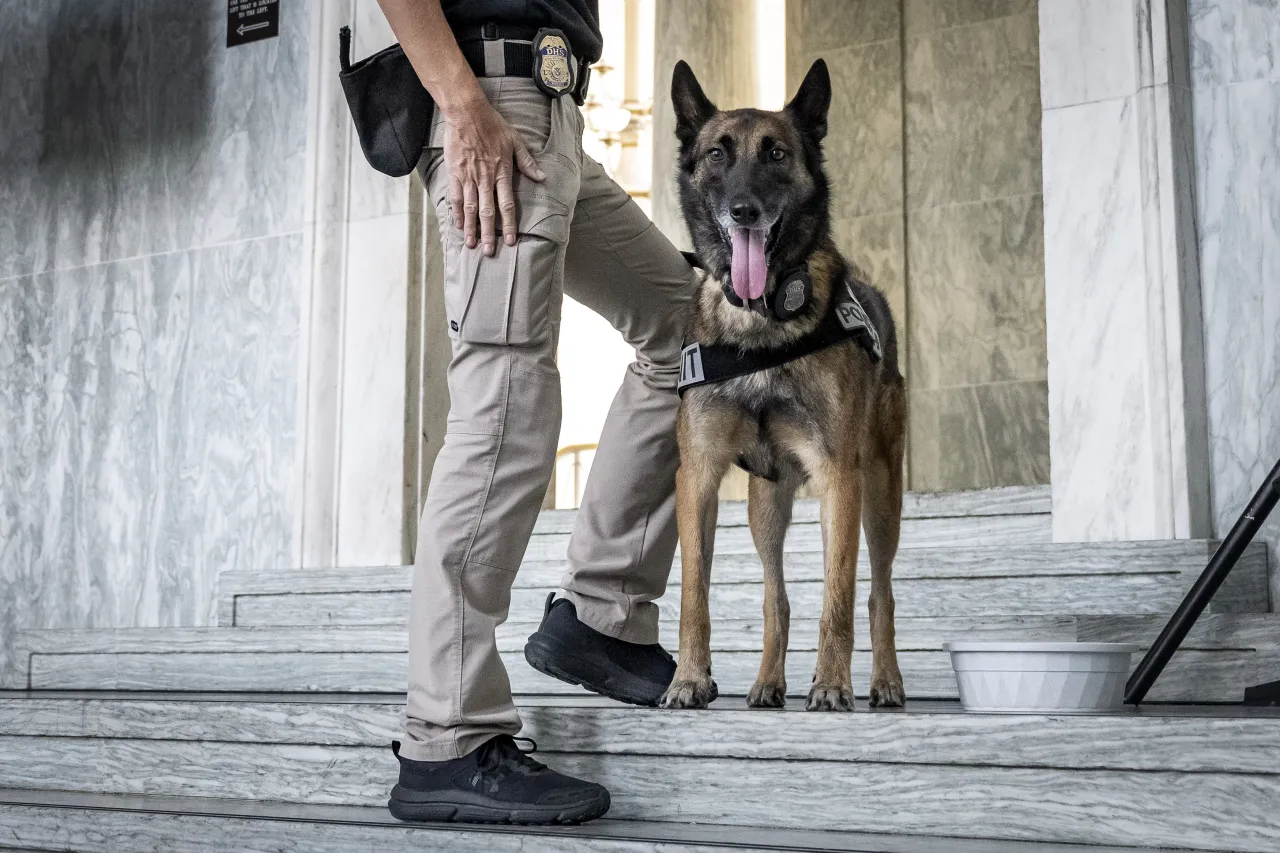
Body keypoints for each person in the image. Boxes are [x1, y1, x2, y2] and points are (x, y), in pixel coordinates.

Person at [376, 0, 695, 825]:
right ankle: (446, 732)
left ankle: (602, 615)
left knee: (686, 331)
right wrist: (462, 106)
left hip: (555, 116)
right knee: (507, 400)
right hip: (492, 104)